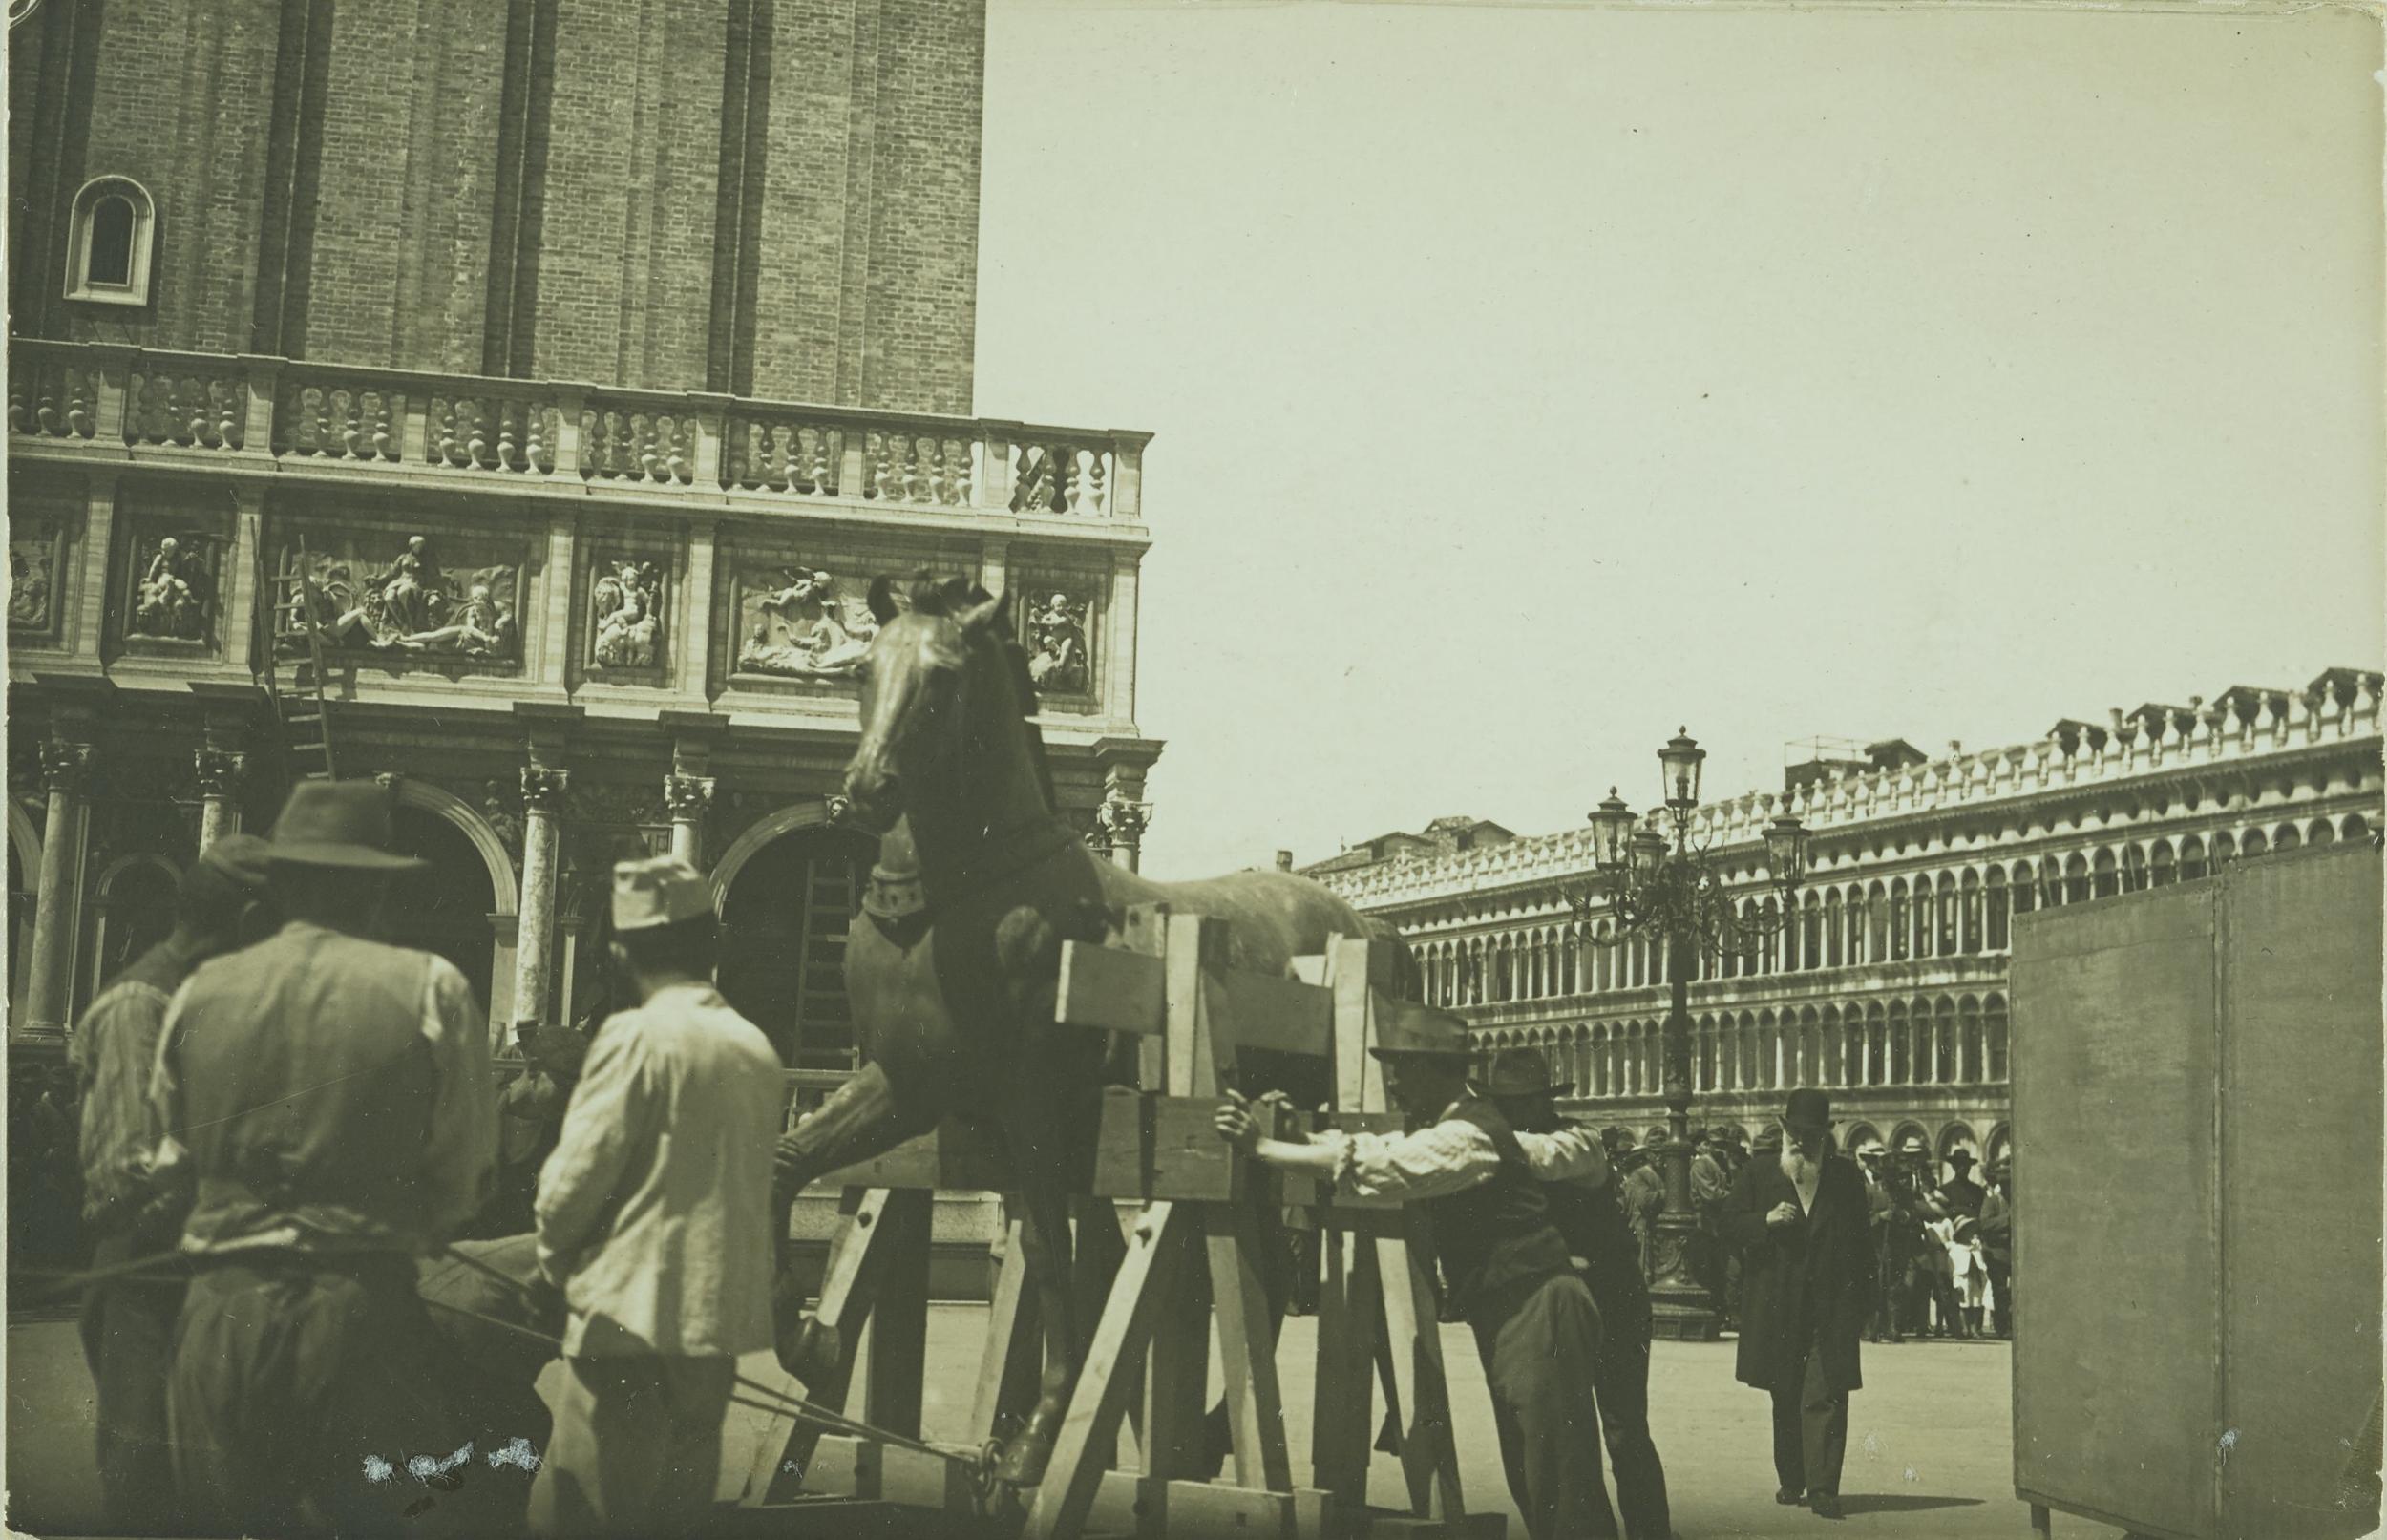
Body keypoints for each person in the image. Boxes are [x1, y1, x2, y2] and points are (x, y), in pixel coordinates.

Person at [152, 781, 497, 1536]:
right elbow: (464, 1170)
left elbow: (169, 1151)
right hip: (359, 1313)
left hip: (221, 1312)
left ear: (284, 884)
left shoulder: (199, 990)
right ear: (377, 888)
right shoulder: (430, 986)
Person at [1215, 1003, 1620, 1540]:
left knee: (1560, 1478)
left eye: (1403, 1069)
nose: (1395, 1082)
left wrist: (1264, 1147)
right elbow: (1383, 1147)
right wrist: (1299, 1138)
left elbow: (1387, 1166)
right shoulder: (1454, 1126)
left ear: (1433, 1071)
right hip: (1515, 1308)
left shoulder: (1466, 1135)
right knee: (1533, 1468)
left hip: (1536, 1305)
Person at [528, 855, 784, 1538]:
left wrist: (554, 1264)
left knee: (581, 1518)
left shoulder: (634, 1037)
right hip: (711, 1338)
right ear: (713, 945)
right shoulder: (755, 1047)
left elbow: (567, 1189)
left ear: (618, 952)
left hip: (624, 1329)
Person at [71, 834, 273, 1535]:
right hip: (147, 1290)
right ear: (246, 924)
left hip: (203, 1286)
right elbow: (126, 1183)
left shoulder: (202, 1003)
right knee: (151, 1496)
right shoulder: (140, 1005)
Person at [1487, 1049, 1672, 1540]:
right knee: (1555, 1439)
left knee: (1625, 1430)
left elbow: (1543, 1158)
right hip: (1552, 1311)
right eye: (1503, 1104)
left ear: (1543, 1102)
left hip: (1612, 1301)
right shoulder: (1504, 1149)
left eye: (1520, 1103)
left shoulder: (1577, 1140)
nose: (1511, 1113)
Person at [1719, 1089, 1873, 1521]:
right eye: (1796, 1133)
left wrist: (1863, 1305)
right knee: (1784, 1393)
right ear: (1784, 1131)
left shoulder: (1844, 1179)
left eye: (1811, 1135)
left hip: (1831, 1306)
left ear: (1825, 1137)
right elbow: (1727, 1224)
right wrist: (1763, 1222)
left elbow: (1862, 1245)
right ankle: (1792, 1477)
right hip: (1777, 1306)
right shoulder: (1758, 1173)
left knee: (1825, 1394)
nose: (1802, 1142)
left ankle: (1824, 1488)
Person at [1853, 1138, 1898, 1343]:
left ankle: (1891, 1327)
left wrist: (1901, 1216)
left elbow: (1911, 1214)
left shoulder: (1900, 1193)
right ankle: (1870, 1327)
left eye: (1893, 1174)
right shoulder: (1870, 1191)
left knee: (1893, 1287)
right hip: (1874, 1246)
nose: (1891, 1178)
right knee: (1874, 1285)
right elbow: (1860, 1220)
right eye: (1887, 1173)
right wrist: (1879, 1217)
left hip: (1894, 1246)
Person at [1977, 1154, 2014, 1339]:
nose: (2008, 1187)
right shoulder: (1992, 1202)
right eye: (2005, 1183)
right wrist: (2007, 1220)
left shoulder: (2019, 1201)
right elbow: (1984, 1224)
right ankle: (2003, 1327)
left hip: (2014, 1255)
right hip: (1997, 1254)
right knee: (1999, 1292)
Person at [1937, 1149, 1986, 1221]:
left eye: (1966, 1164)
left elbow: (1982, 1214)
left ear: (1969, 1167)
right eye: (1959, 1164)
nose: (1963, 1167)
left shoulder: (1977, 1190)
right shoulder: (1944, 1190)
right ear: (1954, 1166)